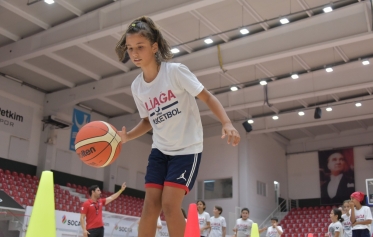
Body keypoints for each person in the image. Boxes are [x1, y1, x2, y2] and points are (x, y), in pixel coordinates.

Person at [115, 16, 240, 237]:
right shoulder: (137, 86)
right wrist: (128, 137)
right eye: (130, 48)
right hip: (160, 150)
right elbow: (148, 121)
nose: (134, 53)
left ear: (154, 47)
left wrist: (227, 122)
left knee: (171, 207)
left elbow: (207, 97)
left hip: (187, 150)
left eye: (140, 47)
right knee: (150, 208)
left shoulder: (175, 72)